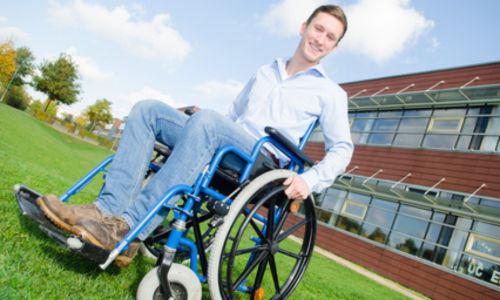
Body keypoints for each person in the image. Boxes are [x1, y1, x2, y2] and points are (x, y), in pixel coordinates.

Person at [37, 4, 353, 267]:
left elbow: (342, 149)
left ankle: (129, 228)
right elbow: (232, 116)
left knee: (210, 123)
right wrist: (202, 123)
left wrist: (309, 180)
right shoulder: (264, 71)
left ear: (336, 48)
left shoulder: (330, 93)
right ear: (303, 27)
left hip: (261, 163)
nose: (321, 39)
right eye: (318, 29)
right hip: (226, 139)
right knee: (148, 110)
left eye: (330, 37)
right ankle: (106, 212)